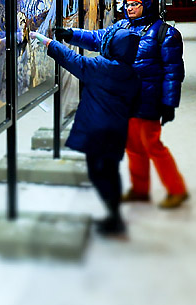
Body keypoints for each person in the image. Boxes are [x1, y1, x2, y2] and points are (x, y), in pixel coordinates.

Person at [55, 0, 189, 209]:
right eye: (127, 4)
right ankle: (140, 189)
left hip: (148, 100)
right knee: (133, 146)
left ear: (147, 5)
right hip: (124, 99)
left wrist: (169, 103)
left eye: (135, 4)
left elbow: (173, 71)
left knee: (152, 145)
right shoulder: (121, 27)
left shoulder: (165, 33)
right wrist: (72, 35)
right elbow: (98, 38)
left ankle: (176, 189)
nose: (130, 8)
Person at [30, 28, 140, 236]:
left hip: (96, 130)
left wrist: (47, 42)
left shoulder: (100, 67)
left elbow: (72, 60)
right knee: (110, 170)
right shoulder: (132, 75)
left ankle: (113, 215)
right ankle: (114, 214)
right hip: (117, 131)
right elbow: (135, 105)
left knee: (96, 172)